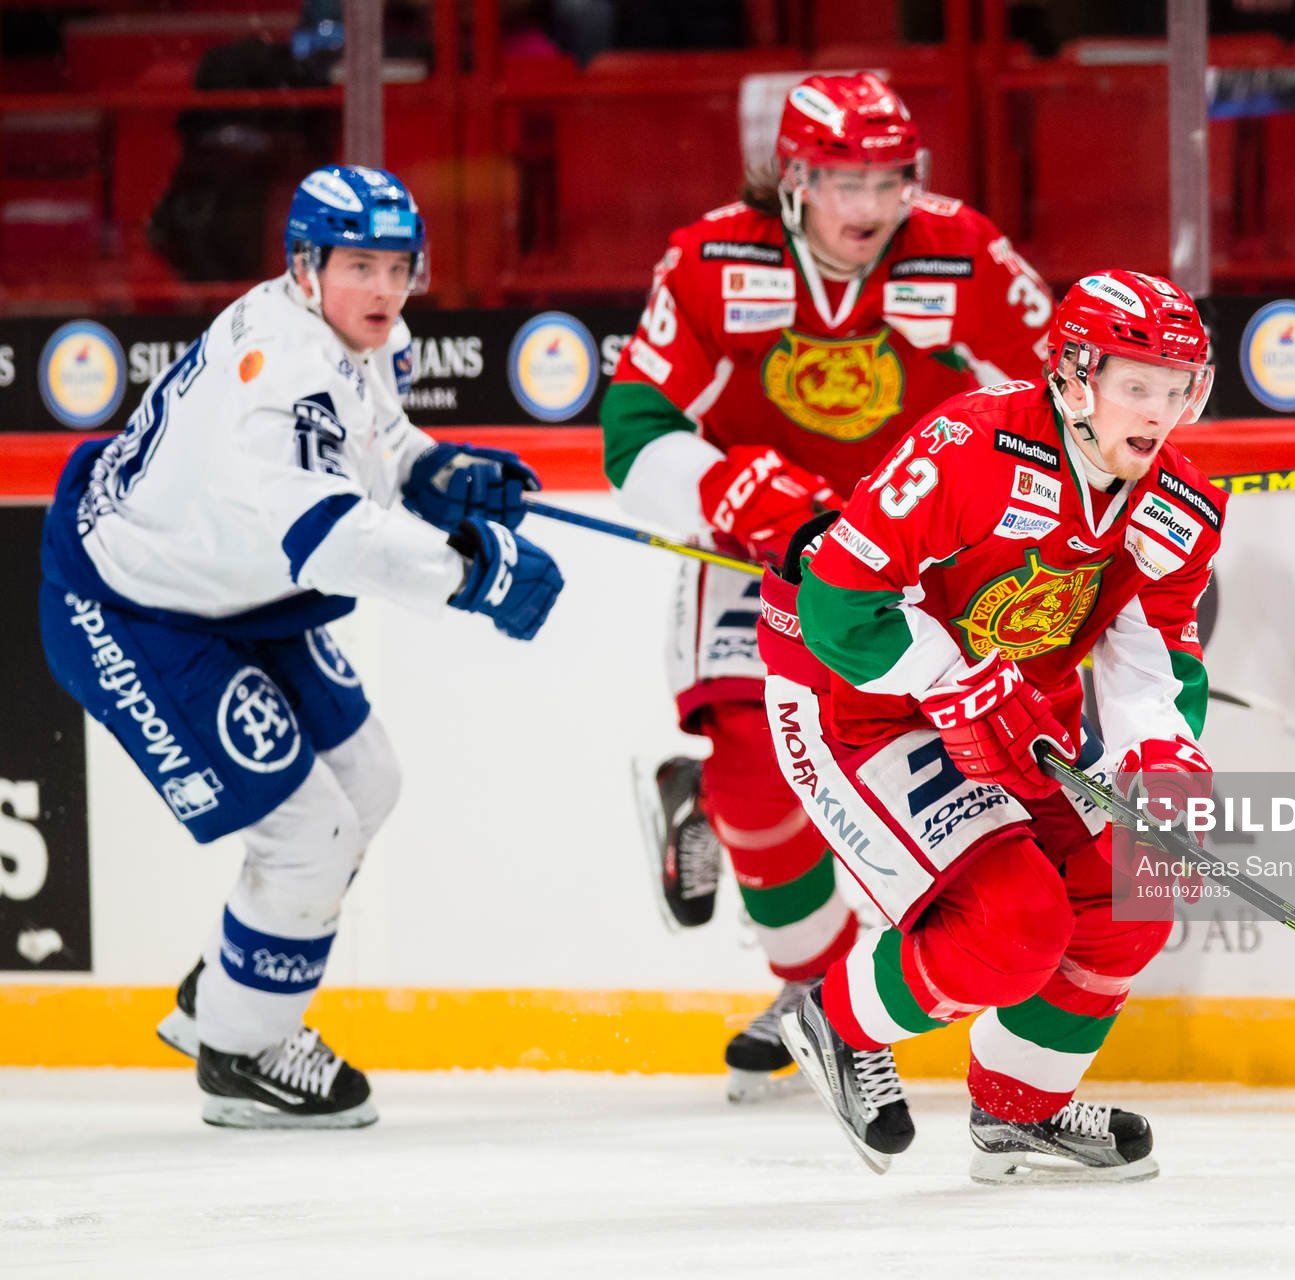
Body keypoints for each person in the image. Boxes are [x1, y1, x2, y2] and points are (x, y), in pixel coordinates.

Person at [38, 164, 565, 1129]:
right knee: (308, 833)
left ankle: (225, 998)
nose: (383, 288)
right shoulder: (275, 374)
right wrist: (475, 574)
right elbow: (330, 535)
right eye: (359, 265)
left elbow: (373, 436)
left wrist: (433, 469)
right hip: (132, 605)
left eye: (399, 266)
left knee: (368, 783)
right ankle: (239, 1054)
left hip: (231, 587)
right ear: (304, 265)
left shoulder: (342, 325)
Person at [599, 71, 1055, 1101]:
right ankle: (814, 994)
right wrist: (732, 486)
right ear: (792, 179)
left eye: (890, 180)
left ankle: (732, 842)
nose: (869, 207)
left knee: (956, 757)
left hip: (913, 555)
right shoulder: (709, 259)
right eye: (844, 182)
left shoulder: (966, 251)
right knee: (759, 775)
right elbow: (632, 439)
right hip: (756, 547)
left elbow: (1063, 393)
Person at [758, 269, 1223, 1182]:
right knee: (1012, 925)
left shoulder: (1180, 504)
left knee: (1134, 882)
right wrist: (950, 680)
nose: (1158, 413)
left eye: (1177, 390)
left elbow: (1154, 656)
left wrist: (1162, 753)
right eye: (1138, 386)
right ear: (1075, 377)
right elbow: (841, 608)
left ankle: (1020, 1113)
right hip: (852, 697)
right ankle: (835, 1021)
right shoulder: (971, 443)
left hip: (1009, 716)